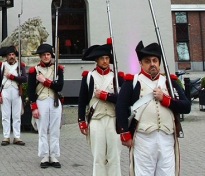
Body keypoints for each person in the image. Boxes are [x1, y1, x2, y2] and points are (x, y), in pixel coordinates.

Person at [116, 41, 191, 176]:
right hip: (143, 138)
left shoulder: (169, 82)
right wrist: (125, 133)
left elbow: (186, 106)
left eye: (155, 60)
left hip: (167, 137)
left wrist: (166, 99)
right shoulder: (132, 82)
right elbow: (120, 108)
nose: (152, 64)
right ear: (141, 63)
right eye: (147, 61)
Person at [77, 41, 123, 176]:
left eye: (107, 58)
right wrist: (81, 121)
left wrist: (106, 96)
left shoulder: (117, 77)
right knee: (98, 157)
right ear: (96, 60)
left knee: (114, 157)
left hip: (113, 120)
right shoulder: (89, 77)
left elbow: (122, 100)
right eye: (102, 58)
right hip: (96, 119)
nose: (105, 61)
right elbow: (82, 100)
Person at [28, 43, 64, 169]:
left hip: (54, 100)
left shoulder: (57, 69)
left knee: (55, 130)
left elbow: (60, 86)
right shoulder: (34, 70)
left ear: (51, 56)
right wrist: (34, 107)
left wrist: (45, 81)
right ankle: (44, 155)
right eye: (44, 55)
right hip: (41, 101)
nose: (46, 57)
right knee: (42, 130)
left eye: (48, 54)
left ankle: (53, 155)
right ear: (40, 57)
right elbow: (31, 91)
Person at [0, 45, 27, 145]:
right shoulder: (2, 65)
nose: (11, 56)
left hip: (16, 90)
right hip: (5, 90)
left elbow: (24, 78)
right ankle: (6, 136)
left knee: (16, 115)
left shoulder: (20, 65)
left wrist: (12, 77)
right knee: (5, 115)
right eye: (9, 55)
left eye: (13, 54)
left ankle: (17, 136)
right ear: (6, 56)